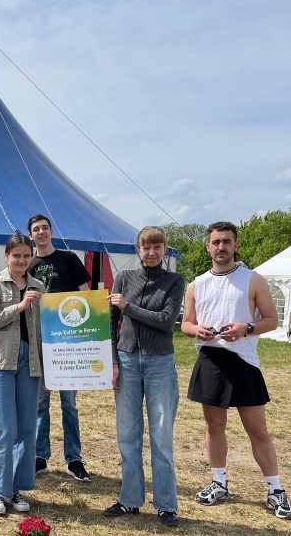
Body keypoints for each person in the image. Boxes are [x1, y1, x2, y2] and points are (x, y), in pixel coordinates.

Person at [181, 221, 291, 520]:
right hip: (210, 360)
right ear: (207, 247)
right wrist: (197, 330)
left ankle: (275, 490)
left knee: (258, 431)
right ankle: (218, 482)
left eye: (227, 242)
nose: (221, 247)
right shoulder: (196, 284)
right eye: (216, 242)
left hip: (244, 363)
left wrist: (246, 328)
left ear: (236, 246)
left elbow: (271, 320)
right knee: (214, 427)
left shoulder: (253, 279)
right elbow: (186, 324)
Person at [104, 226, 185, 527]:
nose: (151, 252)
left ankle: (166, 504)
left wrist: (128, 307)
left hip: (159, 363)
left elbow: (165, 321)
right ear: (137, 249)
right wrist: (112, 361)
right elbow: (111, 323)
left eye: (157, 247)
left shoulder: (175, 281)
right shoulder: (124, 278)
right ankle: (130, 499)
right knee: (127, 434)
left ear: (165, 250)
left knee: (161, 436)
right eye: (145, 247)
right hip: (125, 360)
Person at [0, 234, 44, 515]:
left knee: (27, 428)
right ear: (7, 256)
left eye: (26, 256)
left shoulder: (39, 286)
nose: (21, 260)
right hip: (1, 361)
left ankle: (15, 488)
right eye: (16, 255)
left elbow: (47, 329)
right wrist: (19, 307)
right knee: (4, 428)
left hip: (31, 362)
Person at [27, 214, 92, 481]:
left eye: (44, 228)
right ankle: (40, 456)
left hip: (68, 341)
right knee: (40, 402)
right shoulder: (28, 263)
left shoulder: (68, 259)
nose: (41, 232)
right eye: (35, 230)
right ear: (30, 235)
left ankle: (74, 458)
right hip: (40, 340)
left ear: (51, 231)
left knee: (69, 403)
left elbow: (86, 295)